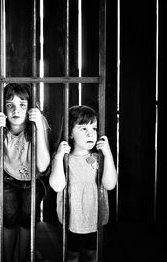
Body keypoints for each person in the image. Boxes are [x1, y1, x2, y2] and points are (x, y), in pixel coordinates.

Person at [0, 83, 51, 262]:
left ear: (30, 108)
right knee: (9, 222)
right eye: (9, 105)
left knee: (27, 222)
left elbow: (43, 165)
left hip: (34, 181)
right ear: (3, 108)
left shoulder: (38, 122)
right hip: (8, 180)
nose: (16, 110)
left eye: (22, 104)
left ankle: (22, 258)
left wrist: (38, 123)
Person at [49, 105, 117, 262]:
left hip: (95, 219)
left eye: (94, 128)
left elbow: (110, 184)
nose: (91, 133)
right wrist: (59, 158)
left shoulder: (96, 158)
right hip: (73, 220)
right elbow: (57, 185)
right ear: (70, 133)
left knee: (92, 254)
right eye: (83, 128)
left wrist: (108, 154)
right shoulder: (64, 159)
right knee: (72, 255)